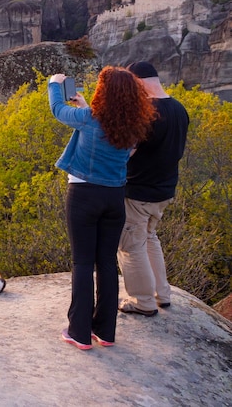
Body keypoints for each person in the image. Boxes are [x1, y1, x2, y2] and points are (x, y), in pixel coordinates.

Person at [48, 67, 156, 350]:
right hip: (114, 199)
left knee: (82, 263)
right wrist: (86, 107)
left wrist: (54, 83)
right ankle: (105, 331)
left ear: (103, 92)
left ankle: (79, 332)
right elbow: (107, 129)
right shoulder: (134, 126)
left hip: (84, 195)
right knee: (106, 263)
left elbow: (58, 110)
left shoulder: (90, 119)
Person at [117, 62, 190, 317]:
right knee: (149, 238)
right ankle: (162, 294)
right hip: (164, 191)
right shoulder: (179, 109)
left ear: (137, 82)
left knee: (129, 246)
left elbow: (125, 153)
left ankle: (143, 301)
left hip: (139, 192)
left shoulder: (147, 114)